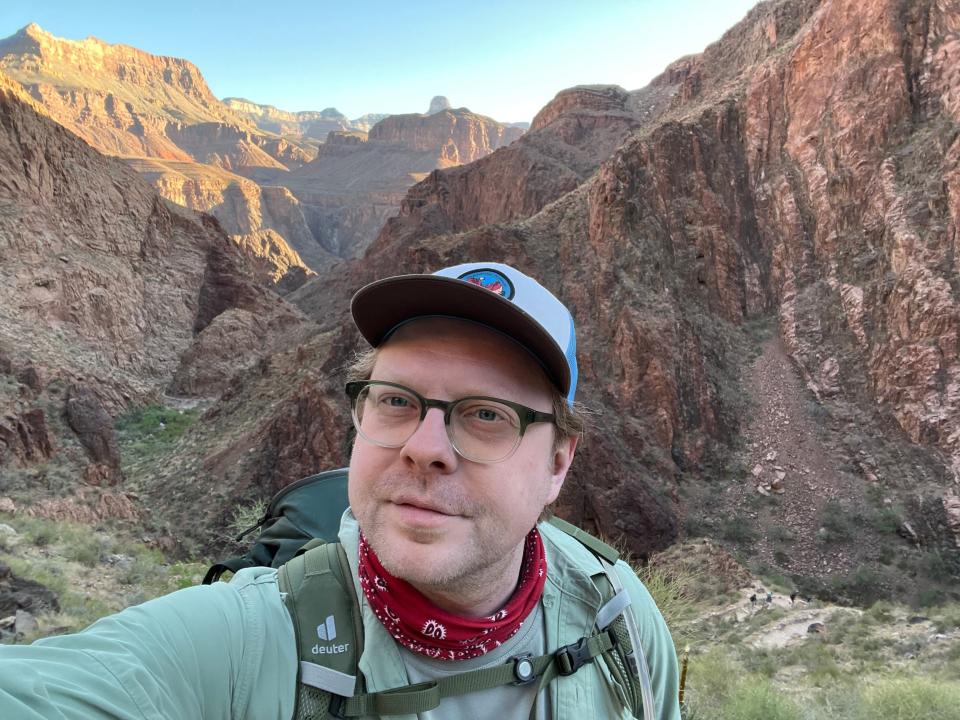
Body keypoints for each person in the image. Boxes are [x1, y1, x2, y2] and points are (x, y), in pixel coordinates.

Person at [0, 262, 681, 719]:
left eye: (486, 415)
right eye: (395, 401)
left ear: (558, 463)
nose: (424, 446)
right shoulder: (251, 642)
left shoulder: (617, 619)